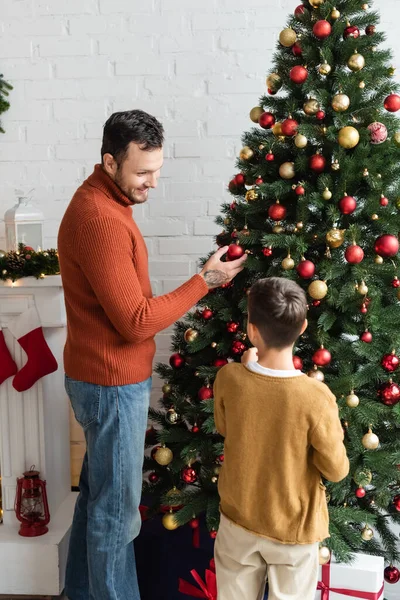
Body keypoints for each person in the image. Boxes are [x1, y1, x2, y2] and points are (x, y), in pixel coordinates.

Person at [57, 109, 247, 600]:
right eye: (143, 172)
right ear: (109, 162)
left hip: (101, 379)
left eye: (157, 171)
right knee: (116, 515)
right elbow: (136, 320)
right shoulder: (99, 217)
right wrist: (205, 282)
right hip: (110, 386)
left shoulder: (104, 200)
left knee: (97, 503)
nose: (153, 183)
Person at [213, 277, 349, 600]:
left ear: (251, 330)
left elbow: (223, 426)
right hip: (294, 530)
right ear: (302, 327)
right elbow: (336, 470)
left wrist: (246, 367)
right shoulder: (316, 397)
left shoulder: (229, 379)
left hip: (238, 520)